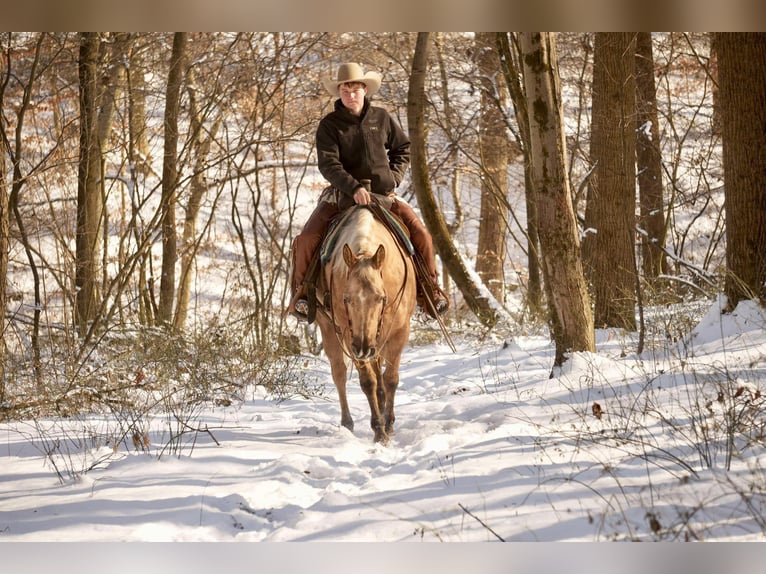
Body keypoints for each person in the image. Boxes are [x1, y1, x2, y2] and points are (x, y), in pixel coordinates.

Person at [288, 62, 450, 322]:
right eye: (345, 89)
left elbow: (403, 148)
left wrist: (393, 178)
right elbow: (328, 164)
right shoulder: (329, 126)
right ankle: (303, 295)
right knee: (307, 238)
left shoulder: (381, 118)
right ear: (339, 92)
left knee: (422, 235)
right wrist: (353, 188)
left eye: (355, 89)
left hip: (384, 196)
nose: (351, 95)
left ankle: (430, 292)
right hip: (341, 197)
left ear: (365, 89)